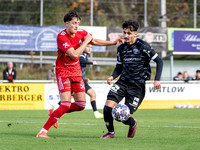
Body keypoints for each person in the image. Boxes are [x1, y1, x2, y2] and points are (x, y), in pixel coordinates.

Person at [36, 11, 122, 138]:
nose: (76, 26)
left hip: (76, 73)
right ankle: (43, 131)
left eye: (78, 23)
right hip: (63, 72)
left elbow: (95, 41)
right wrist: (85, 42)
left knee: (81, 105)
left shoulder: (81, 33)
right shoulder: (61, 37)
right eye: (74, 23)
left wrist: (113, 43)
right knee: (65, 104)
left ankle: (55, 112)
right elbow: (75, 54)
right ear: (67, 23)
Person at [100, 19, 163, 139]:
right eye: (124, 32)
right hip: (123, 82)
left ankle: (132, 123)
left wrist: (157, 79)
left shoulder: (143, 46)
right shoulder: (121, 48)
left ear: (135, 34)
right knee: (108, 108)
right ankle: (110, 133)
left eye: (129, 33)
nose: (125, 36)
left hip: (137, 86)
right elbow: (119, 66)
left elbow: (159, 61)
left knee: (122, 116)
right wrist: (112, 76)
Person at [79, 44, 103, 119]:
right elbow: (81, 60)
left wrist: (84, 78)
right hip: (78, 80)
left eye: (91, 47)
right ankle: (56, 107)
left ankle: (96, 113)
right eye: (88, 47)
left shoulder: (85, 55)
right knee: (71, 97)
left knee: (93, 94)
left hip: (81, 80)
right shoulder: (81, 53)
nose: (90, 49)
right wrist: (91, 63)